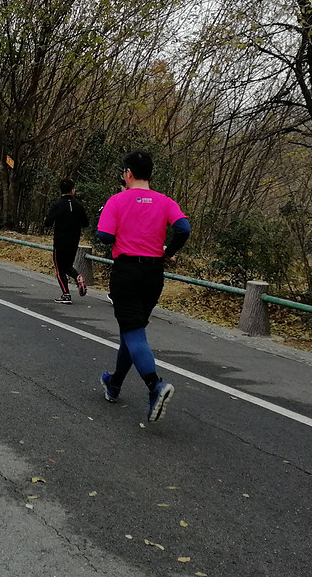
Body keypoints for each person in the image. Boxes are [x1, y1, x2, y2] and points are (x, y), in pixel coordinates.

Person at [95, 151, 192, 423]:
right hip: (153, 274)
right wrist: (167, 252)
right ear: (150, 174)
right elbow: (183, 228)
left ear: (128, 173)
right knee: (132, 329)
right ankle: (114, 384)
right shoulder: (165, 201)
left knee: (134, 332)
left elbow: (103, 235)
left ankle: (155, 385)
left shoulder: (117, 200)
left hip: (126, 271)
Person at [45, 178, 90, 304]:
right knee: (68, 266)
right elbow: (85, 223)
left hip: (60, 241)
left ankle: (66, 294)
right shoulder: (78, 206)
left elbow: (47, 223)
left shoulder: (57, 205)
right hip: (74, 241)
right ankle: (77, 277)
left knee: (59, 268)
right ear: (72, 190)